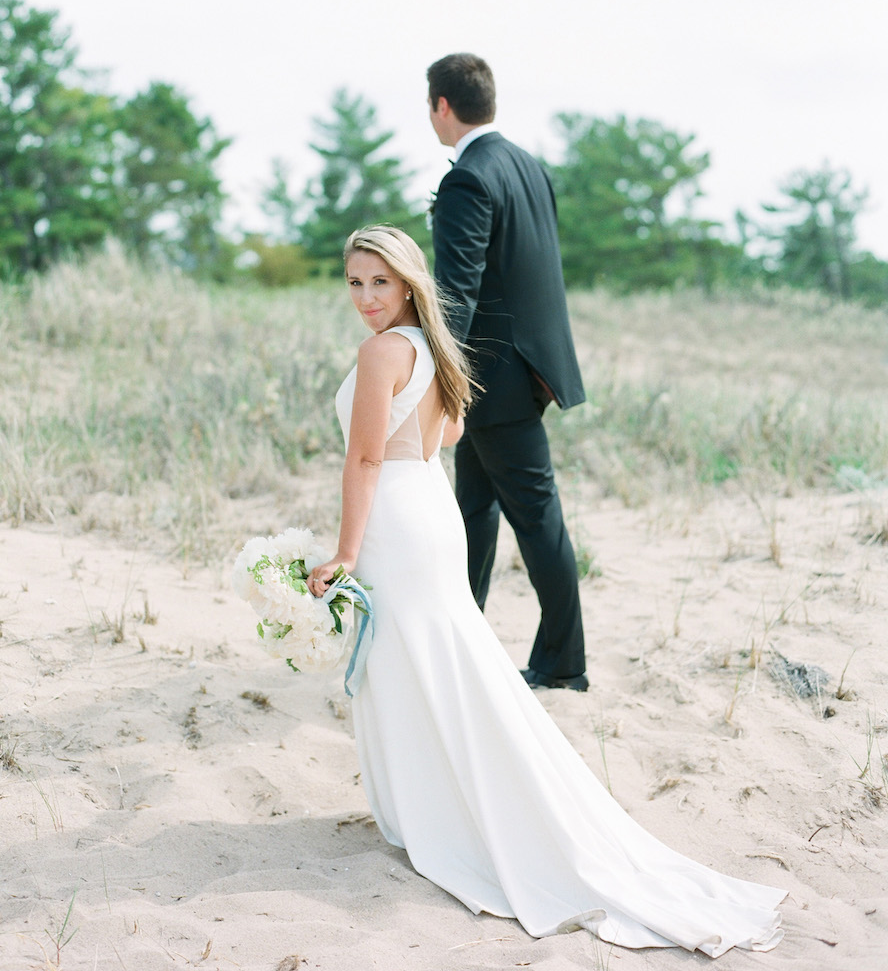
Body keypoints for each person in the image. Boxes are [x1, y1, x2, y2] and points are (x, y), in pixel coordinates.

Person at [306, 226, 784, 955]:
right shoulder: (434, 347)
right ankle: (460, 804)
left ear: (406, 282)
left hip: (397, 522)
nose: (365, 297)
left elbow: (366, 458)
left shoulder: (382, 352)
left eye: (378, 281)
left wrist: (343, 553)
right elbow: (451, 434)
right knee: (445, 666)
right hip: (429, 508)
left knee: (422, 668)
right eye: (353, 282)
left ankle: (450, 816)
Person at [427, 52, 587, 691]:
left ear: (442, 105)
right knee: (472, 510)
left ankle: (562, 664)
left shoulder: (468, 178)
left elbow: (456, 291)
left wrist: (443, 377)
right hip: (531, 368)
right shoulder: (528, 165)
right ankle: (463, 644)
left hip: (491, 377)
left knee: (537, 515)